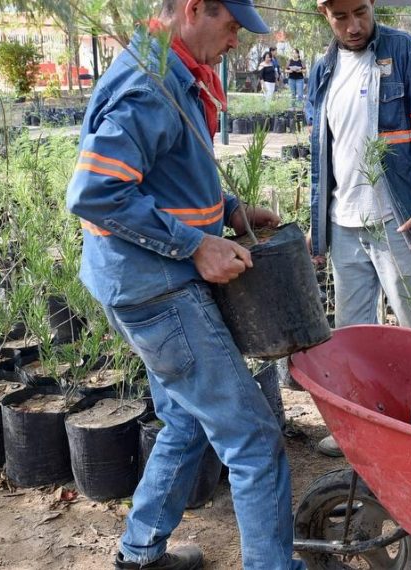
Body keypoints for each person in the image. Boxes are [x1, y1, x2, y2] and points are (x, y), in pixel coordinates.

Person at [65, 1, 302, 569]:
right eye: (232, 26)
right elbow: (95, 193)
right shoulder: (149, 86)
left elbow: (160, 177)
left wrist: (231, 211)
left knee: (188, 418)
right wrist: (196, 246)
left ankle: (140, 553)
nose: (236, 41)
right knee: (253, 440)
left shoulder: (166, 67)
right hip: (157, 291)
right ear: (194, 8)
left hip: (143, 284)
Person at [306, 0, 411, 457]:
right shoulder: (323, 70)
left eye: (361, 12)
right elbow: (323, 158)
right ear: (324, 13)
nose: (354, 26)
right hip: (346, 225)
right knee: (351, 335)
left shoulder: (408, 54)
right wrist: (320, 227)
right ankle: (363, 431)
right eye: (342, 17)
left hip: (400, 222)